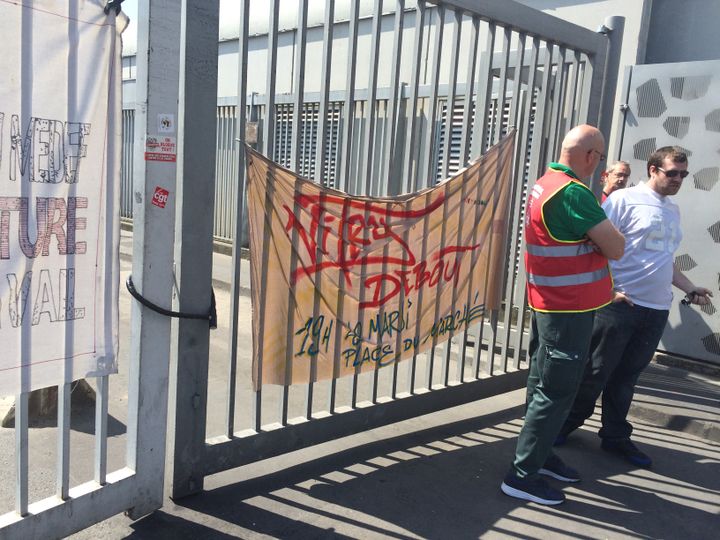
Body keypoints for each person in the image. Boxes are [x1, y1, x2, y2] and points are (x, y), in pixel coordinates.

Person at [557, 146, 713, 468]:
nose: (678, 179)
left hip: (655, 309)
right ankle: (563, 426)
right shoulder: (623, 201)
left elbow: (663, 261)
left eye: (683, 174)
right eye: (672, 173)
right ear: (653, 170)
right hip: (620, 305)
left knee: (627, 377)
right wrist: (609, 289)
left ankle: (615, 438)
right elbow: (593, 247)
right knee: (596, 372)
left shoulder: (672, 210)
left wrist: (690, 287)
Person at [500, 125, 625, 506]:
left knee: (542, 386)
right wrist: (599, 240)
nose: (599, 164)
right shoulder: (574, 194)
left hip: (549, 303)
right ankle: (522, 476)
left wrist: (592, 239)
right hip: (567, 309)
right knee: (555, 393)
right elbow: (617, 248)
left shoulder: (546, 182)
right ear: (591, 156)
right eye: (600, 157)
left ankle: (539, 458)